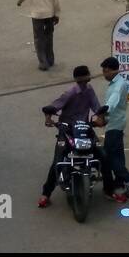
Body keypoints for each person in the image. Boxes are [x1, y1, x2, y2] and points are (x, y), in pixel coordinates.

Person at [38, 65, 102, 208]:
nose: (86, 79)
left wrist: (101, 117)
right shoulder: (70, 93)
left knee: (101, 154)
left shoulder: (90, 90)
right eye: (84, 76)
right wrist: (48, 118)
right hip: (66, 129)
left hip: (83, 128)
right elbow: (53, 107)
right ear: (79, 79)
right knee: (57, 161)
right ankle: (45, 194)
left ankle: (109, 188)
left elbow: (97, 108)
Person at [96, 56, 129, 202]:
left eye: (106, 71)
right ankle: (120, 180)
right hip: (115, 123)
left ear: (114, 70)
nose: (104, 73)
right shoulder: (115, 83)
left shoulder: (118, 85)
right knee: (118, 154)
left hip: (114, 124)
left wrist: (103, 112)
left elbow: (112, 102)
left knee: (108, 157)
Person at [18, 0, 61, 71]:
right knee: (49, 36)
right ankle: (50, 59)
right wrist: (57, 14)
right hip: (50, 13)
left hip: (37, 15)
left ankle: (43, 62)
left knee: (38, 38)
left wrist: (19, 2)